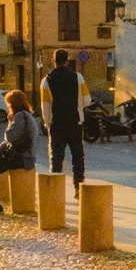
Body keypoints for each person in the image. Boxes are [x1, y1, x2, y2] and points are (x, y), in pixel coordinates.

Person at [39, 48, 89, 192]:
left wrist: (47, 122)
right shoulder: (78, 77)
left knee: (56, 157)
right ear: (67, 61)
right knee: (78, 157)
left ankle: (55, 190)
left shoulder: (46, 80)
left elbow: (45, 106)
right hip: (75, 122)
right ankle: (78, 188)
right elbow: (87, 100)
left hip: (57, 124)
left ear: (53, 61)